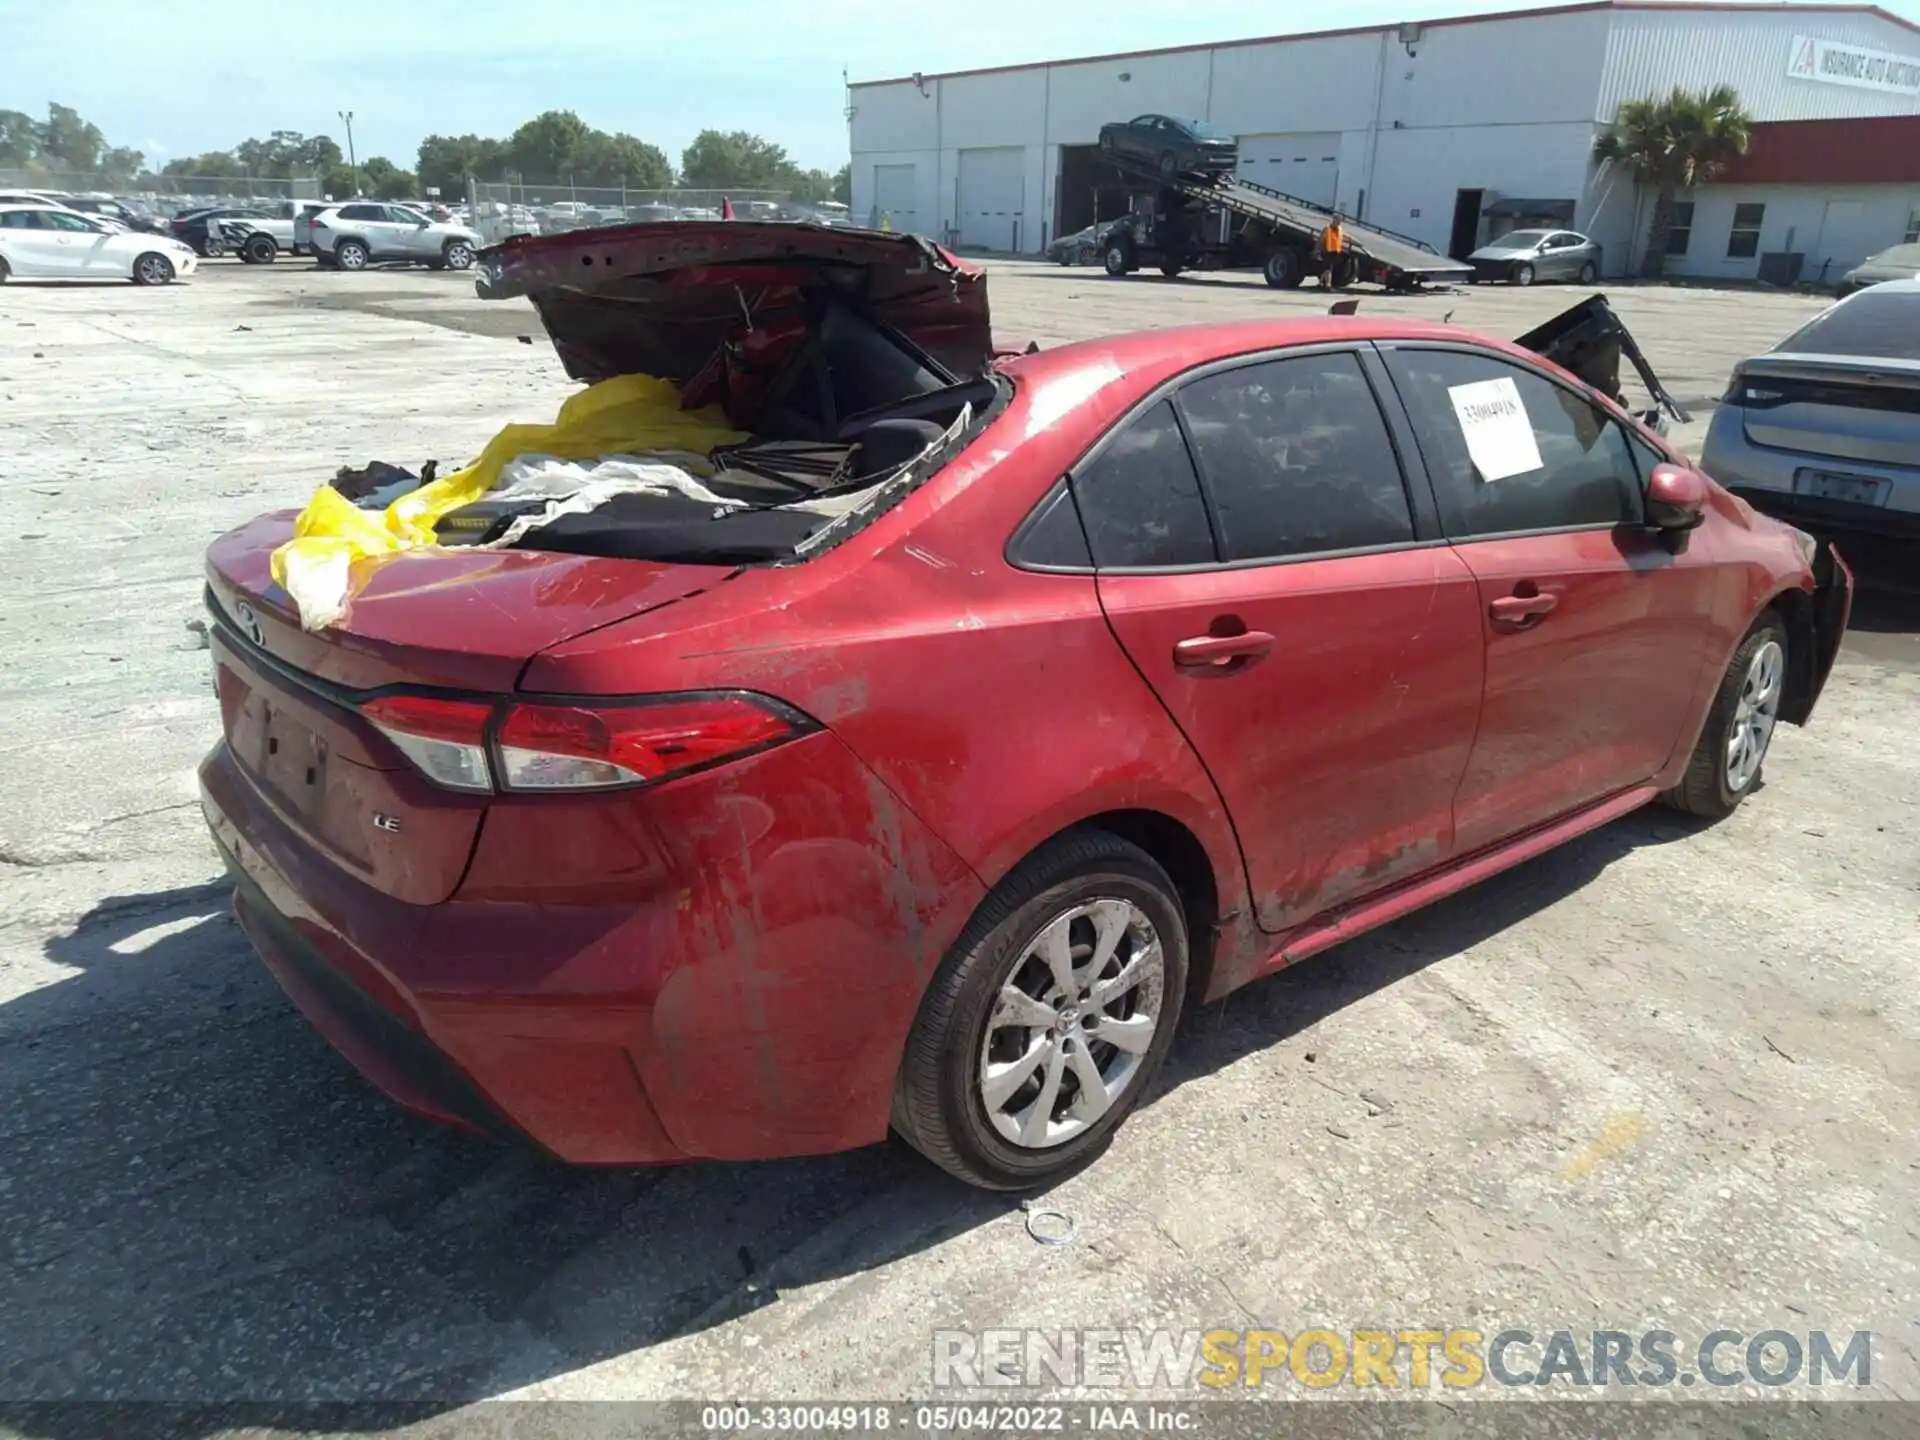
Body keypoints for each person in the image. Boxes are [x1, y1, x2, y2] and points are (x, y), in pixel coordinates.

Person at [1319, 213, 1347, 289]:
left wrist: (1355, 242)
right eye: (1337, 220)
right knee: (1329, 269)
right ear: (1334, 220)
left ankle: (1321, 282)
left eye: (1340, 221)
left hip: (1335, 252)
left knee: (1327, 269)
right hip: (1326, 251)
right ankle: (1328, 285)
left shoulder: (1339, 229)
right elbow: (1321, 240)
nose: (1338, 222)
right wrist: (1319, 250)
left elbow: (1345, 237)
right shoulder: (1327, 228)